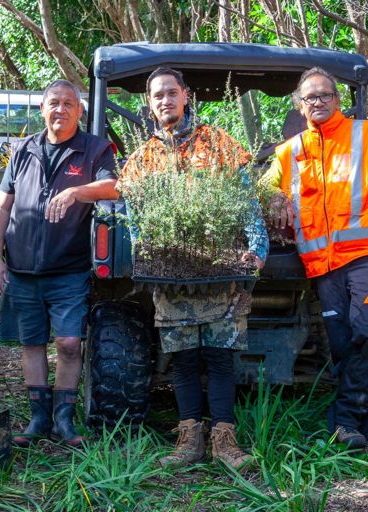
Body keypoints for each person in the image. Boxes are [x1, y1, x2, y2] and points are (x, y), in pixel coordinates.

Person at [118, 67, 268, 470]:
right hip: (171, 273)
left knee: (220, 356)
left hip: (220, 269)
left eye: (171, 93)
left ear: (185, 96)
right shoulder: (142, 156)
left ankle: (225, 442)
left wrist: (258, 248)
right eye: (157, 95)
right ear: (149, 104)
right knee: (184, 358)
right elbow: (135, 215)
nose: (165, 100)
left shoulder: (218, 142)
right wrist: (141, 248)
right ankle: (189, 442)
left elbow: (247, 199)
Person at [263, 67, 368, 449]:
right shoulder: (290, 150)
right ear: (300, 105)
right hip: (324, 265)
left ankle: (344, 416)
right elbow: (264, 184)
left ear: (338, 99)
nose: (318, 102)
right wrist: (274, 196)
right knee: (346, 346)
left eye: (325, 95)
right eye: (310, 97)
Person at [0, 79, 118, 447]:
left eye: (69, 104)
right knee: (31, 343)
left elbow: (115, 187)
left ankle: (64, 420)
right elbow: (1, 209)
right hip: (22, 270)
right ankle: (38, 419)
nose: (61, 109)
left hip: (69, 270)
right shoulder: (23, 150)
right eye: (54, 103)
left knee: (69, 343)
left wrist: (77, 191)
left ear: (80, 111)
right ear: (42, 109)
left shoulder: (94, 149)